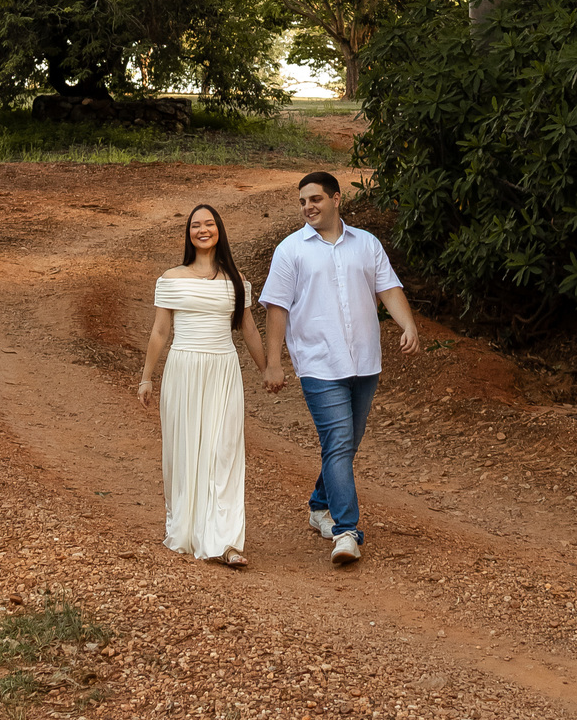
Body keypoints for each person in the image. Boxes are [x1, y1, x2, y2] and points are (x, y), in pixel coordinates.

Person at [260, 170, 419, 566]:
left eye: (315, 199)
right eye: (302, 202)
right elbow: (277, 308)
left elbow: (388, 288)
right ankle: (346, 531)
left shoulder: (366, 244)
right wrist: (274, 362)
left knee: (344, 443)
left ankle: (319, 505)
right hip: (318, 363)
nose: (307, 207)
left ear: (335, 199)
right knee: (339, 440)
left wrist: (408, 325)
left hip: (365, 361)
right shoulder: (290, 250)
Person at [138, 203, 266, 569]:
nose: (203, 230)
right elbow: (160, 331)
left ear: (219, 230)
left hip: (223, 370)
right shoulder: (172, 278)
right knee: (185, 450)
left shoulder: (235, 280)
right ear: (189, 233)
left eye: (209, 224)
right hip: (183, 369)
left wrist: (267, 369)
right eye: (196, 225)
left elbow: (249, 329)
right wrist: (146, 377)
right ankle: (189, 529)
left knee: (224, 451)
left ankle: (224, 541)